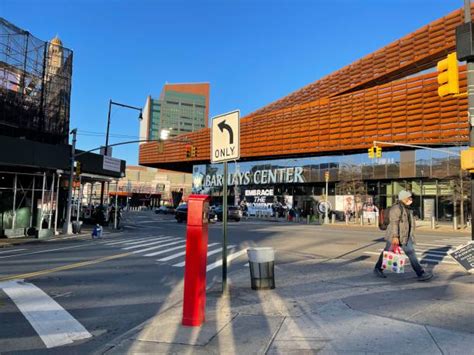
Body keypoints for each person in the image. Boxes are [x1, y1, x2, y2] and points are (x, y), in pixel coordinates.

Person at [374, 190, 433, 281]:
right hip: (395, 236)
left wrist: (410, 235)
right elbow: (394, 223)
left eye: (411, 197)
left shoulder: (407, 208)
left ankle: (420, 273)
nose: (411, 199)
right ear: (403, 198)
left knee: (411, 253)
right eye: (409, 198)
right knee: (388, 252)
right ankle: (378, 269)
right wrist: (395, 236)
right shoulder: (396, 208)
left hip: (405, 236)